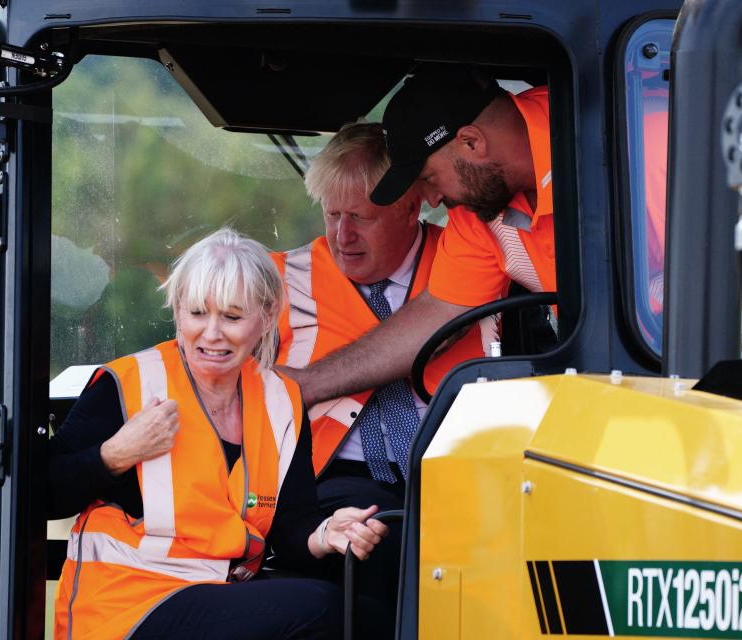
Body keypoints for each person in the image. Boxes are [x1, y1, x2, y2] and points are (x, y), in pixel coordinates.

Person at [49, 228, 389, 640]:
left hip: (217, 590)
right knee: (321, 608)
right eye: (196, 313)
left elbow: (290, 525)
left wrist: (325, 534)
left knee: (368, 614)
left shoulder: (281, 401)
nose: (211, 333)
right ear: (176, 310)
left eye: (231, 317)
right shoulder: (127, 384)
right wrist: (116, 454)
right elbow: (41, 493)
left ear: (266, 318)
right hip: (125, 604)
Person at [271, 123, 496, 639]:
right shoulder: (278, 282)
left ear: (410, 207)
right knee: (382, 547)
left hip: (459, 474)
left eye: (361, 218)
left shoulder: (475, 264)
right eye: (332, 214)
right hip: (331, 474)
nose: (342, 236)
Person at [281, 65, 555, 407]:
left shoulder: (626, 139)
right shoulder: (479, 211)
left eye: (429, 178)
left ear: (471, 142)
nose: (431, 199)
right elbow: (442, 310)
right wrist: (306, 385)